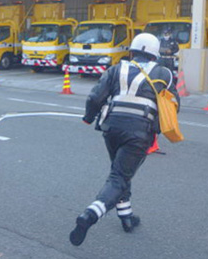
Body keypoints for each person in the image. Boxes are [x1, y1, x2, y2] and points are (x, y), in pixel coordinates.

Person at [69, 33, 179, 246]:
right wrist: (157, 128)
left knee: (119, 171)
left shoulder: (115, 69)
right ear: (155, 54)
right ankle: (90, 214)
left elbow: (94, 97)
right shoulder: (163, 73)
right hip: (139, 131)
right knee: (119, 176)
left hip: (111, 127)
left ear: (132, 51)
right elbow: (174, 104)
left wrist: (88, 118)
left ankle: (126, 217)